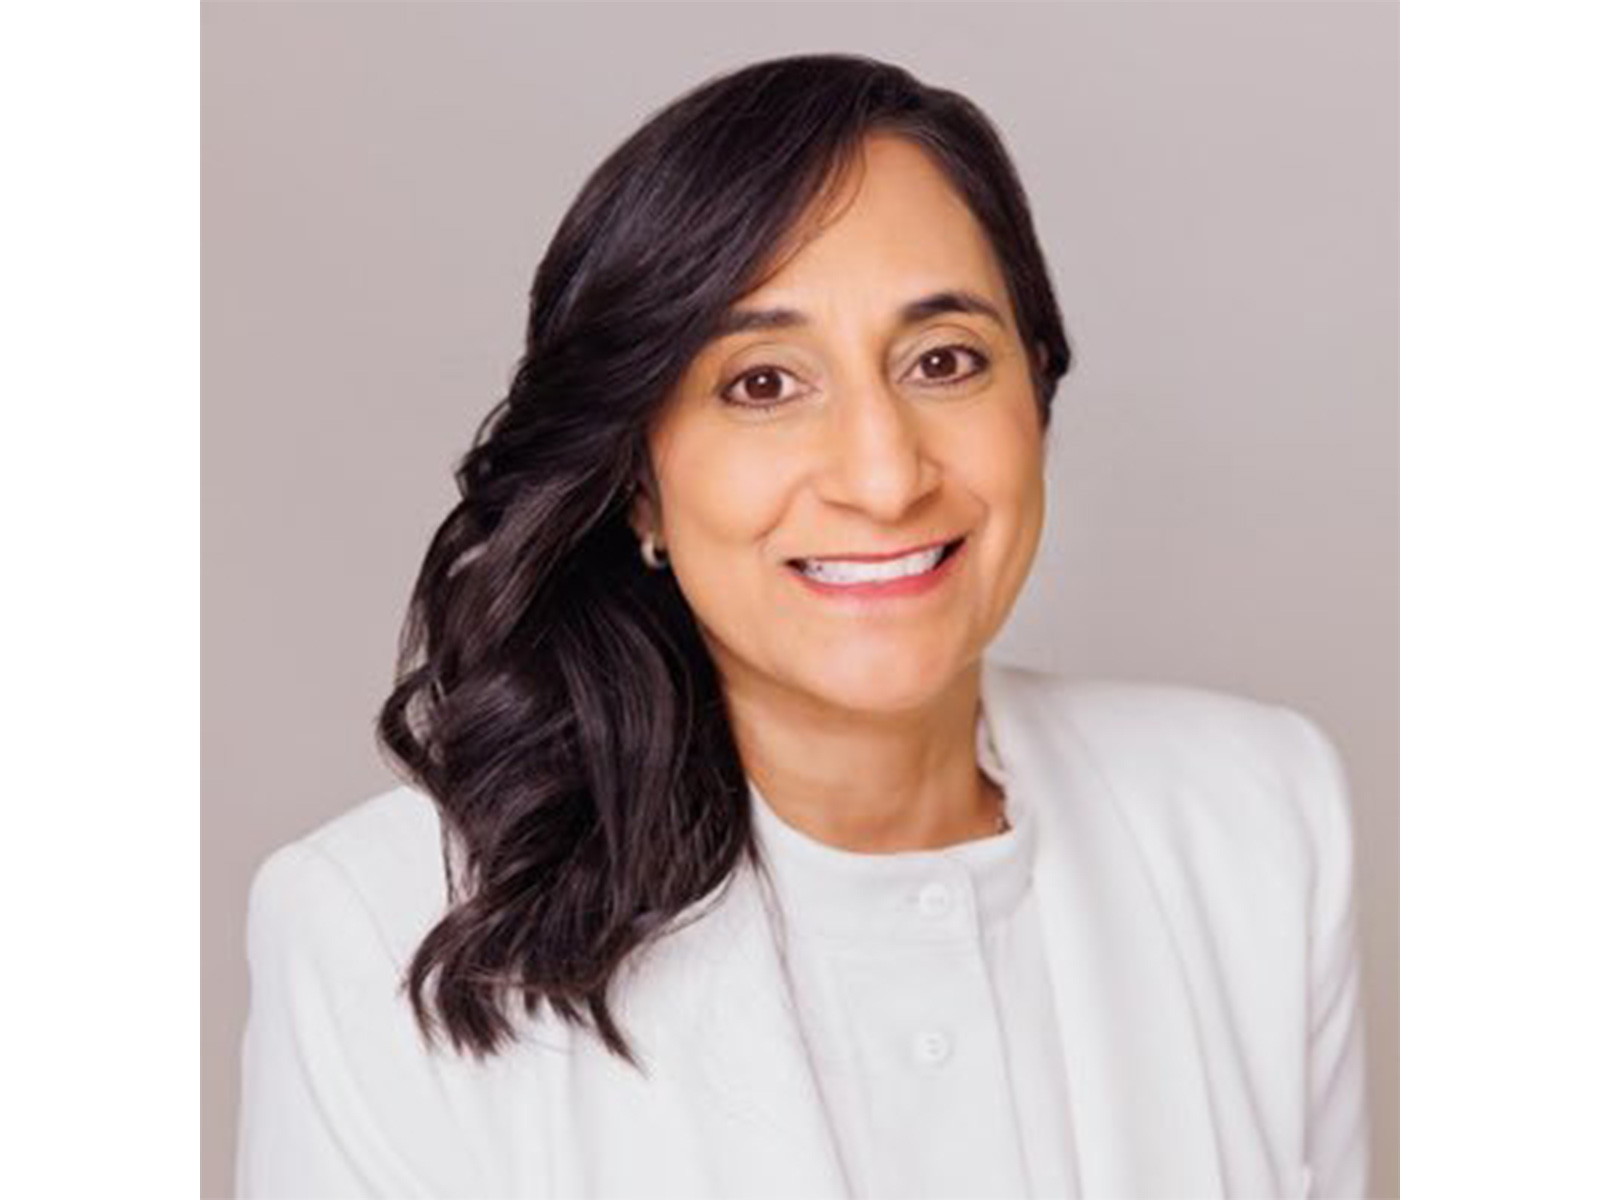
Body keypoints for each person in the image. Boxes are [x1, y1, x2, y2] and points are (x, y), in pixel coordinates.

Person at [234, 53, 1370, 1199]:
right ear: (640, 480)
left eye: (943, 361)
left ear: (1035, 395)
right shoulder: (378, 927)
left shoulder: (1256, 817)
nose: (883, 478)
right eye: (763, 384)